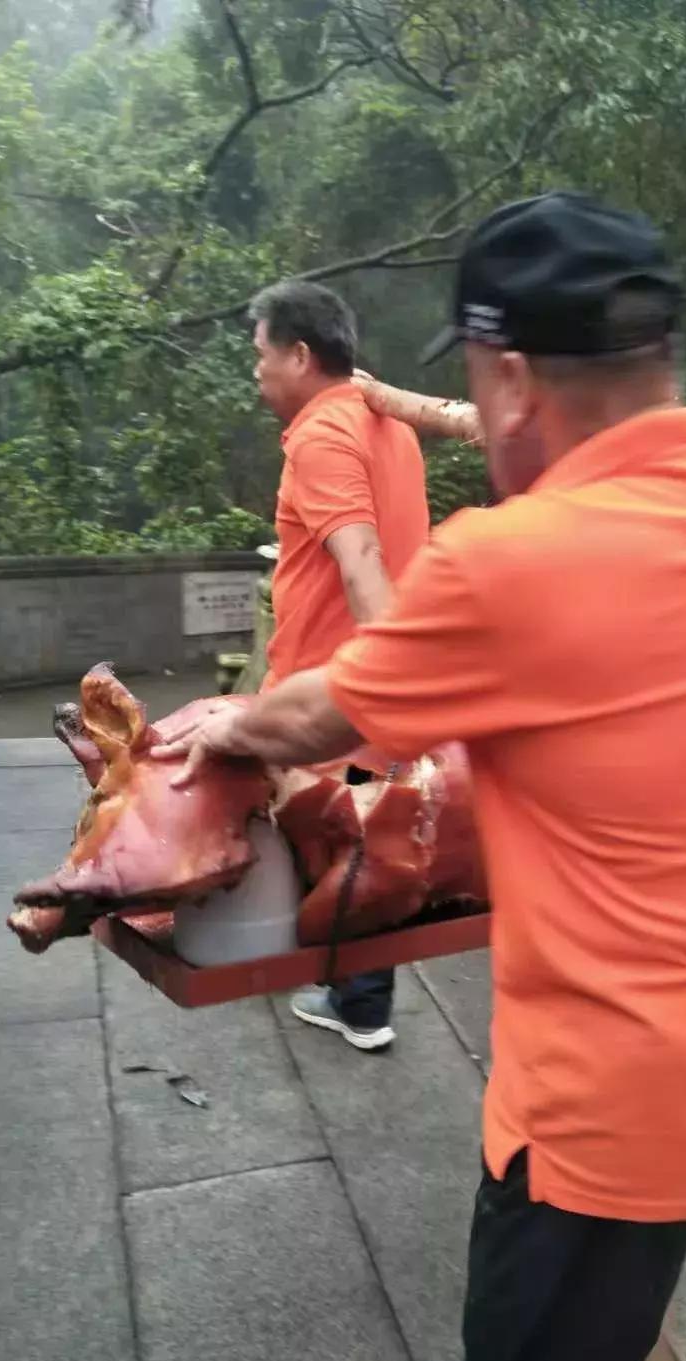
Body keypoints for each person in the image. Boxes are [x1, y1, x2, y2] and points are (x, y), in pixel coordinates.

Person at [155, 192, 686, 1361]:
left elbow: (314, 721)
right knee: (634, 1342)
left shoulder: (517, 558)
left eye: (478, 385)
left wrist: (224, 723)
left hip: (609, 1097)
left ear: (516, 379)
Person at [250, 277, 430, 1050]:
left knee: (339, 833)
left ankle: (357, 1000)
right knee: (366, 830)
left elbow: (360, 563)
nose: (254, 371)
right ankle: (353, 988)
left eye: (260, 355)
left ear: (298, 353)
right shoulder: (389, 424)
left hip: (337, 692)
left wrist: (384, 686)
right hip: (370, 687)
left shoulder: (324, 437)